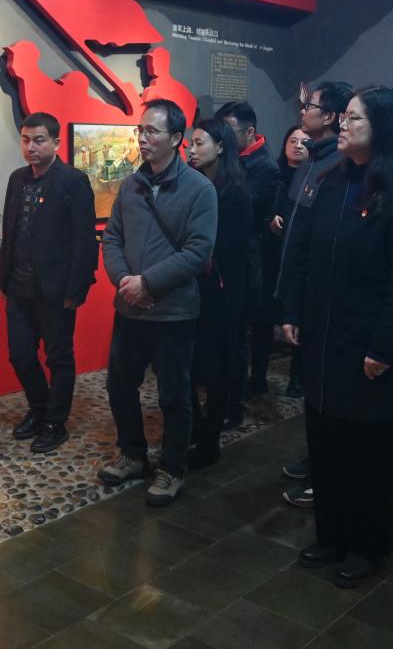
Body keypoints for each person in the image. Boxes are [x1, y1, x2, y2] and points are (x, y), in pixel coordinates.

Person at [278, 86, 393, 587]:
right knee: (325, 442)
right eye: (343, 117)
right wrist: (292, 309)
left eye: (354, 119)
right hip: (324, 338)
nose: (343, 125)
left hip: (369, 344)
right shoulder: (331, 179)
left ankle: (367, 544)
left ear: (383, 127)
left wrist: (384, 346)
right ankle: (331, 534)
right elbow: (303, 252)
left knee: (367, 451)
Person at [98, 98, 216, 506]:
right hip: (129, 308)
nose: (143, 138)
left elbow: (198, 252)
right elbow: (112, 237)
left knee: (173, 395)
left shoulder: (199, 189)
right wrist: (124, 281)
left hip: (173, 312)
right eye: (140, 130)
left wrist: (148, 282)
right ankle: (132, 454)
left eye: (152, 131)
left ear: (176, 138)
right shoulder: (131, 185)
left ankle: (172, 468)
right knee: (119, 385)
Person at [0, 112, 99, 453]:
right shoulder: (17, 179)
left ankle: (56, 422)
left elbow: (84, 241)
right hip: (19, 287)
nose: (31, 147)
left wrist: (76, 289)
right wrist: (4, 279)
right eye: (26, 140)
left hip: (55, 290)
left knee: (59, 358)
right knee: (20, 355)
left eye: (39, 140)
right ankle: (39, 409)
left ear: (55, 142)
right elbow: (10, 232)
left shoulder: (72, 182)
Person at [273, 79, 353, 508]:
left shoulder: (339, 168)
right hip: (302, 292)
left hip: (327, 303)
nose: (302, 111)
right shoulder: (312, 161)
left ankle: (327, 474)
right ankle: (316, 460)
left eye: (311, 106)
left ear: (333, 117)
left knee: (327, 392)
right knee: (313, 391)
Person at [186, 118, 251, 468]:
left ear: (221, 147)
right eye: (191, 143)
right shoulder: (191, 185)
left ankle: (210, 438)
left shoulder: (235, 193)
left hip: (221, 291)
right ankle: (195, 427)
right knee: (186, 364)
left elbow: (225, 248)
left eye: (200, 143)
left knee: (216, 368)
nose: (192, 150)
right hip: (193, 286)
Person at [215, 101, 278, 415]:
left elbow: (240, 206)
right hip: (219, 256)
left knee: (237, 332)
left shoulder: (264, 167)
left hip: (245, 258)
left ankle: (234, 402)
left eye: (228, 132)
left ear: (249, 132)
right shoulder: (227, 162)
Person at [272, 124, 308, 402]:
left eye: (304, 141)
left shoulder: (313, 177)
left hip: (298, 256)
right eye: (292, 140)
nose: (297, 145)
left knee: (297, 316)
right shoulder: (274, 174)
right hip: (272, 252)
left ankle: (297, 376)